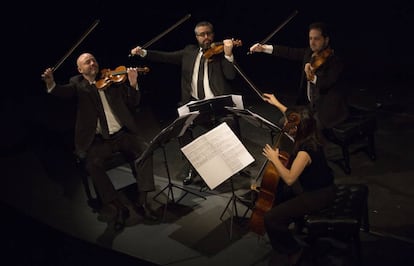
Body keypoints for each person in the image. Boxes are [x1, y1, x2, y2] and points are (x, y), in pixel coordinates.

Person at [41, 53, 157, 231]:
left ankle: (143, 201)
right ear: (80, 70)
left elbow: (133, 103)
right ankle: (118, 207)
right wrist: (50, 82)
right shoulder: (78, 84)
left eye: (94, 60)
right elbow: (62, 91)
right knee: (93, 165)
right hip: (99, 140)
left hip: (122, 134)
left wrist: (133, 83)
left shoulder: (112, 81)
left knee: (146, 149)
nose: (92, 63)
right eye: (87, 62)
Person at [130, 21, 241, 185]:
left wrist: (228, 54)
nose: (206, 37)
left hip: (216, 105)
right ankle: (193, 165)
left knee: (231, 123)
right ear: (196, 37)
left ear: (213, 34)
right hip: (195, 104)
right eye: (202, 34)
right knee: (182, 129)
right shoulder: (189, 52)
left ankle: (229, 166)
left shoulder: (220, 54)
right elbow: (165, 56)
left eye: (209, 33)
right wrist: (144, 53)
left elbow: (231, 76)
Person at [261, 93, 336, 266]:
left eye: (290, 126)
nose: (287, 127)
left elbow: (289, 178)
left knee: (270, 218)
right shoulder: (311, 130)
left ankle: (293, 249)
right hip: (318, 186)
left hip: (318, 195)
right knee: (278, 198)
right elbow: (296, 116)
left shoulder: (305, 151)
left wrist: (273, 158)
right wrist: (277, 103)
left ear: (298, 129)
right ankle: (292, 227)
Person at [249, 22, 348, 135]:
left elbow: (326, 82)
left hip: (327, 110)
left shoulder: (335, 60)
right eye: (310, 38)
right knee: (283, 123)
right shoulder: (309, 53)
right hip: (309, 107)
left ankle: (305, 151)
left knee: (303, 129)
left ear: (326, 40)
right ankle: (291, 151)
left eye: (316, 39)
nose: (312, 42)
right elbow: (289, 52)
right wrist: (264, 48)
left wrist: (312, 77)